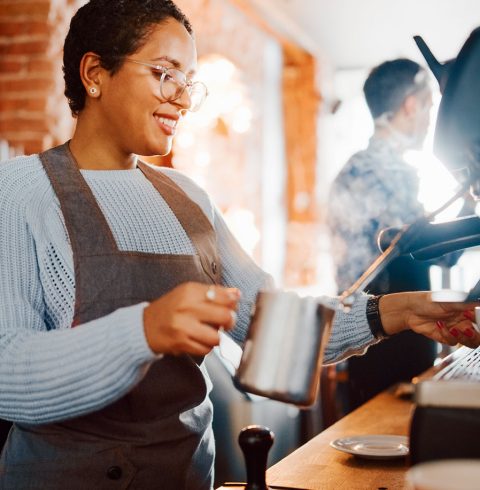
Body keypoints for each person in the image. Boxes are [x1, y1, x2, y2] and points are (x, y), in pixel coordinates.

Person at [0, 3, 478, 489]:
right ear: (95, 73)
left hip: (188, 476)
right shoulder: (20, 191)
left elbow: (268, 320)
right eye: (165, 74)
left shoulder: (189, 197)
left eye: (189, 81)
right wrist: (143, 330)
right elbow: (7, 371)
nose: (182, 99)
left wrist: (392, 312)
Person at [327, 58, 473, 411]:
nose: (429, 120)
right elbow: (436, 251)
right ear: (412, 105)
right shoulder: (389, 171)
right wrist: (470, 198)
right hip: (388, 338)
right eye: (428, 106)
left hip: (370, 333)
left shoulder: (358, 167)